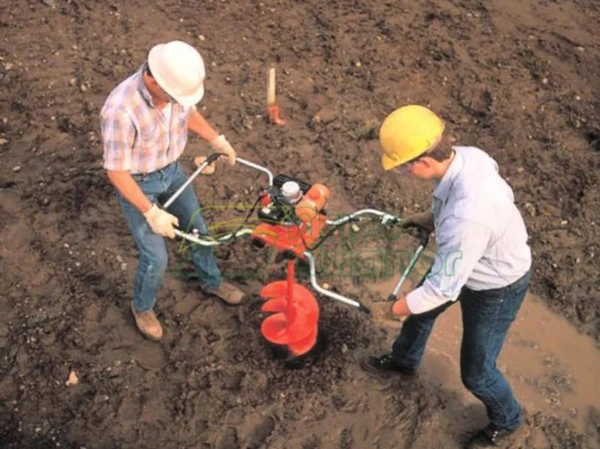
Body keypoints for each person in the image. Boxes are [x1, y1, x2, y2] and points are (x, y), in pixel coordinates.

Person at [362, 105, 532, 448]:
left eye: (404, 167)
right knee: (418, 315)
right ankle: (404, 361)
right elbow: (455, 211)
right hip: (467, 259)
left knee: (478, 373)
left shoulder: (467, 217)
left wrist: (390, 310)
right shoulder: (468, 157)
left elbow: (441, 289)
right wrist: (430, 218)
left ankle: (508, 420)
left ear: (423, 162)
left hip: (495, 285)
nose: (405, 173)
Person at [100, 40, 245, 341]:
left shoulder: (172, 91)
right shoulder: (120, 110)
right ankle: (142, 307)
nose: (174, 101)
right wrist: (151, 212)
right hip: (139, 182)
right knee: (156, 258)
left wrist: (216, 139)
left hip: (173, 171)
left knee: (199, 230)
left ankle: (211, 281)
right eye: (171, 96)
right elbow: (116, 170)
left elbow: (187, 113)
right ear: (151, 79)